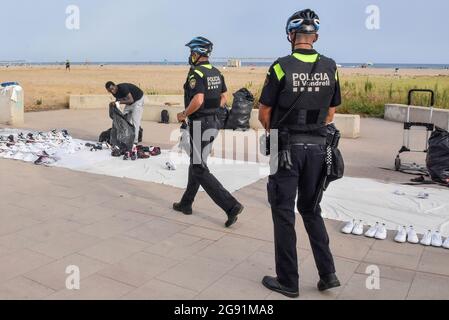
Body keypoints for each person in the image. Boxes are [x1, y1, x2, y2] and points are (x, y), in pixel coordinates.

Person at [258, 9, 342, 298]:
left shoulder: (280, 66)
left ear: (291, 36)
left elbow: (265, 111)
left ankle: (288, 282)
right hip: (319, 148)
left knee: (283, 213)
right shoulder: (331, 66)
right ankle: (328, 274)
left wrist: (276, 132)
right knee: (310, 209)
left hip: (286, 148)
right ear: (315, 37)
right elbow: (331, 112)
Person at [173, 36, 244, 228]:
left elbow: (197, 99)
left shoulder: (196, 73)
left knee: (199, 168)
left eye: (191, 52)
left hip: (199, 124)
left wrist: (183, 114)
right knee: (197, 163)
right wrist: (213, 112)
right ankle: (186, 203)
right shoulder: (215, 72)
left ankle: (231, 206)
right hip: (214, 122)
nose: (190, 56)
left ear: (197, 53)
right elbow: (223, 97)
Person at [105, 81, 145, 150]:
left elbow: (131, 100)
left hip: (138, 100)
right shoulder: (114, 93)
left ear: (115, 86)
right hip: (129, 103)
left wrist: (118, 102)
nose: (112, 91)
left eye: (112, 89)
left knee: (135, 121)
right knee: (124, 120)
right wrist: (114, 107)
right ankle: (126, 137)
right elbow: (118, 101)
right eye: (109, 91)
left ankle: (134, 142)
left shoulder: (123, 88)